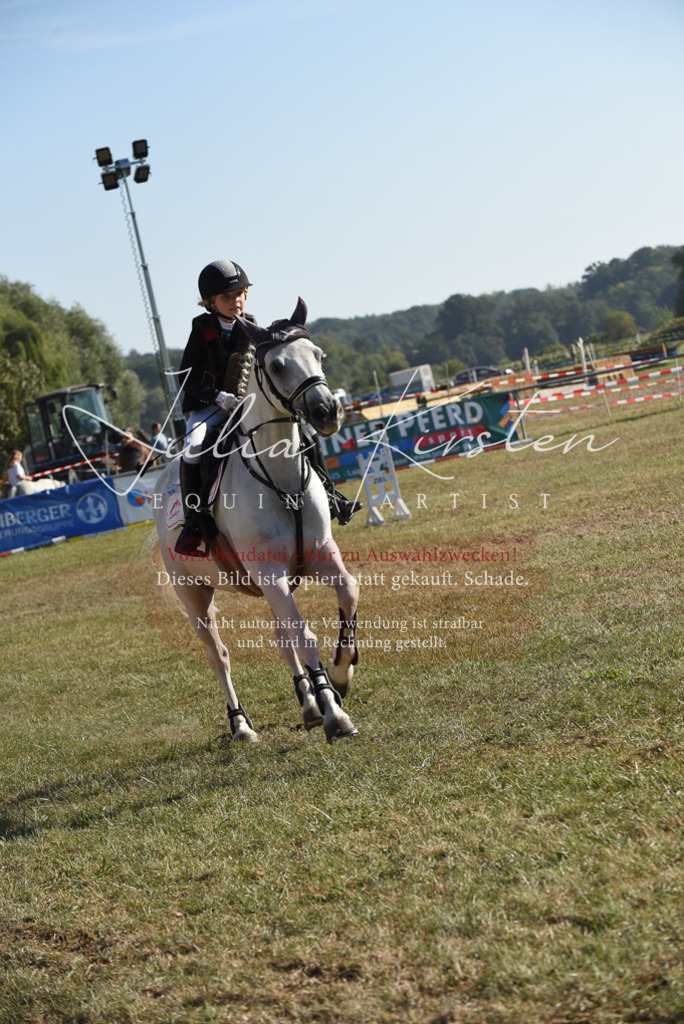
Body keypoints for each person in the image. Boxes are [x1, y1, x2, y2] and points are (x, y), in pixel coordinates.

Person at [174, 259, 361, 556]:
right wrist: (219, 397)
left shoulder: (251, 325)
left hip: (245, 406)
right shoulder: (202, 329)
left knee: (305, 434)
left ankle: (330, 495)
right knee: (193, 448)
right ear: (210, 303)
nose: (236, 301)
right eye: (227, 297)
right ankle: (194, 521)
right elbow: (187, 379)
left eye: (240, 293)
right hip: (208, 406)